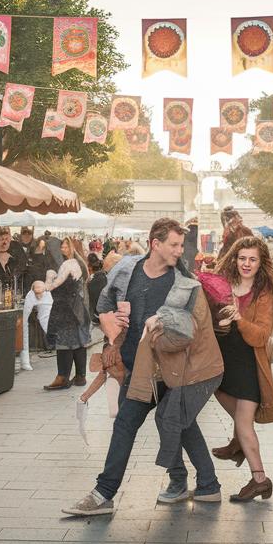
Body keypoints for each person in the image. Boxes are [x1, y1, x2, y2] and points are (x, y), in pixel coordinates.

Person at [63, 218, 223, 516]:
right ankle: (202, 484)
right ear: (155, 244)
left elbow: (190, 327)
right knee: (162, 424)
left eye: (180, 245)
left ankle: (107, 492)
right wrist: (111, 323)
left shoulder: (183, 279)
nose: (179, 250)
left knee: (169, 423)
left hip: (170, 370)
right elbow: (103, 305)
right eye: (174, 245)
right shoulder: (127, 269)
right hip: (135, 368)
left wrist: (162, 322)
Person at [202, 235, 273, 502]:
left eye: (252, 259)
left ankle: (259, 480)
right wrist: (220, 323)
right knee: (219, 393)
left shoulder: (264, 293)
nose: (246, 263)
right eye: (242, 258)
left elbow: (259, 336)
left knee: (245, 425)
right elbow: (209, 321)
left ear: (261, 262)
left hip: (248, 365)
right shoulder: (223, 283)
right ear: (234, 258)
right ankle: (239, 444)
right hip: (222, 362)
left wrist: (239, 318)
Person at [43, 238, 93, 391]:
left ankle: (63, 377)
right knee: (78, 341)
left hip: (66, 309)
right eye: (61, 247)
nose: (62, 250)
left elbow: (52, 287)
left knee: (64, 342)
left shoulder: (68, 264)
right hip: (77, 307)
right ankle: (80, 376)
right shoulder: (79, 264)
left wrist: (49, 276)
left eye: (65, 247)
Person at [19, 279, 52, 372]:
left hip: (44, 292)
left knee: (48, 323)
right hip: (32, 292)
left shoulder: (47, 295)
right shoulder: (31, 295)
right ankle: (25, 361)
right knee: (23, 327)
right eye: (36, 293)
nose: (38, 296)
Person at [86, 253, 107, 324]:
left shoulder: (90, 282)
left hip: (96, 316)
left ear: (90, 267)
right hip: (104, 312)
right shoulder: (104, 276)